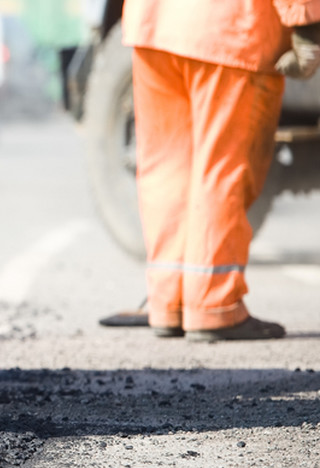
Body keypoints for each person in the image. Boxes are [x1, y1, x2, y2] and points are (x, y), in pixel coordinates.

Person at [122, 0, 320, 341]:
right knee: (224, 167)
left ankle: (169, 302)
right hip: (229, 28)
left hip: (152, 23)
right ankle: (214, 305)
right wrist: (304, 22)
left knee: (168, 165)